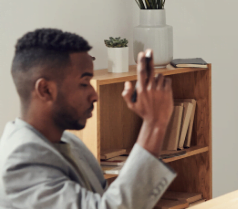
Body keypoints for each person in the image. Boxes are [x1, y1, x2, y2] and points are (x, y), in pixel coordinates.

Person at [0, 29, 177, 208]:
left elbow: (105, 200)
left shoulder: (71, 142)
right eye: (84, 83)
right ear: (45, 90)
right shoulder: (21, 160)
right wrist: (154, 124)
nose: (94, 95)